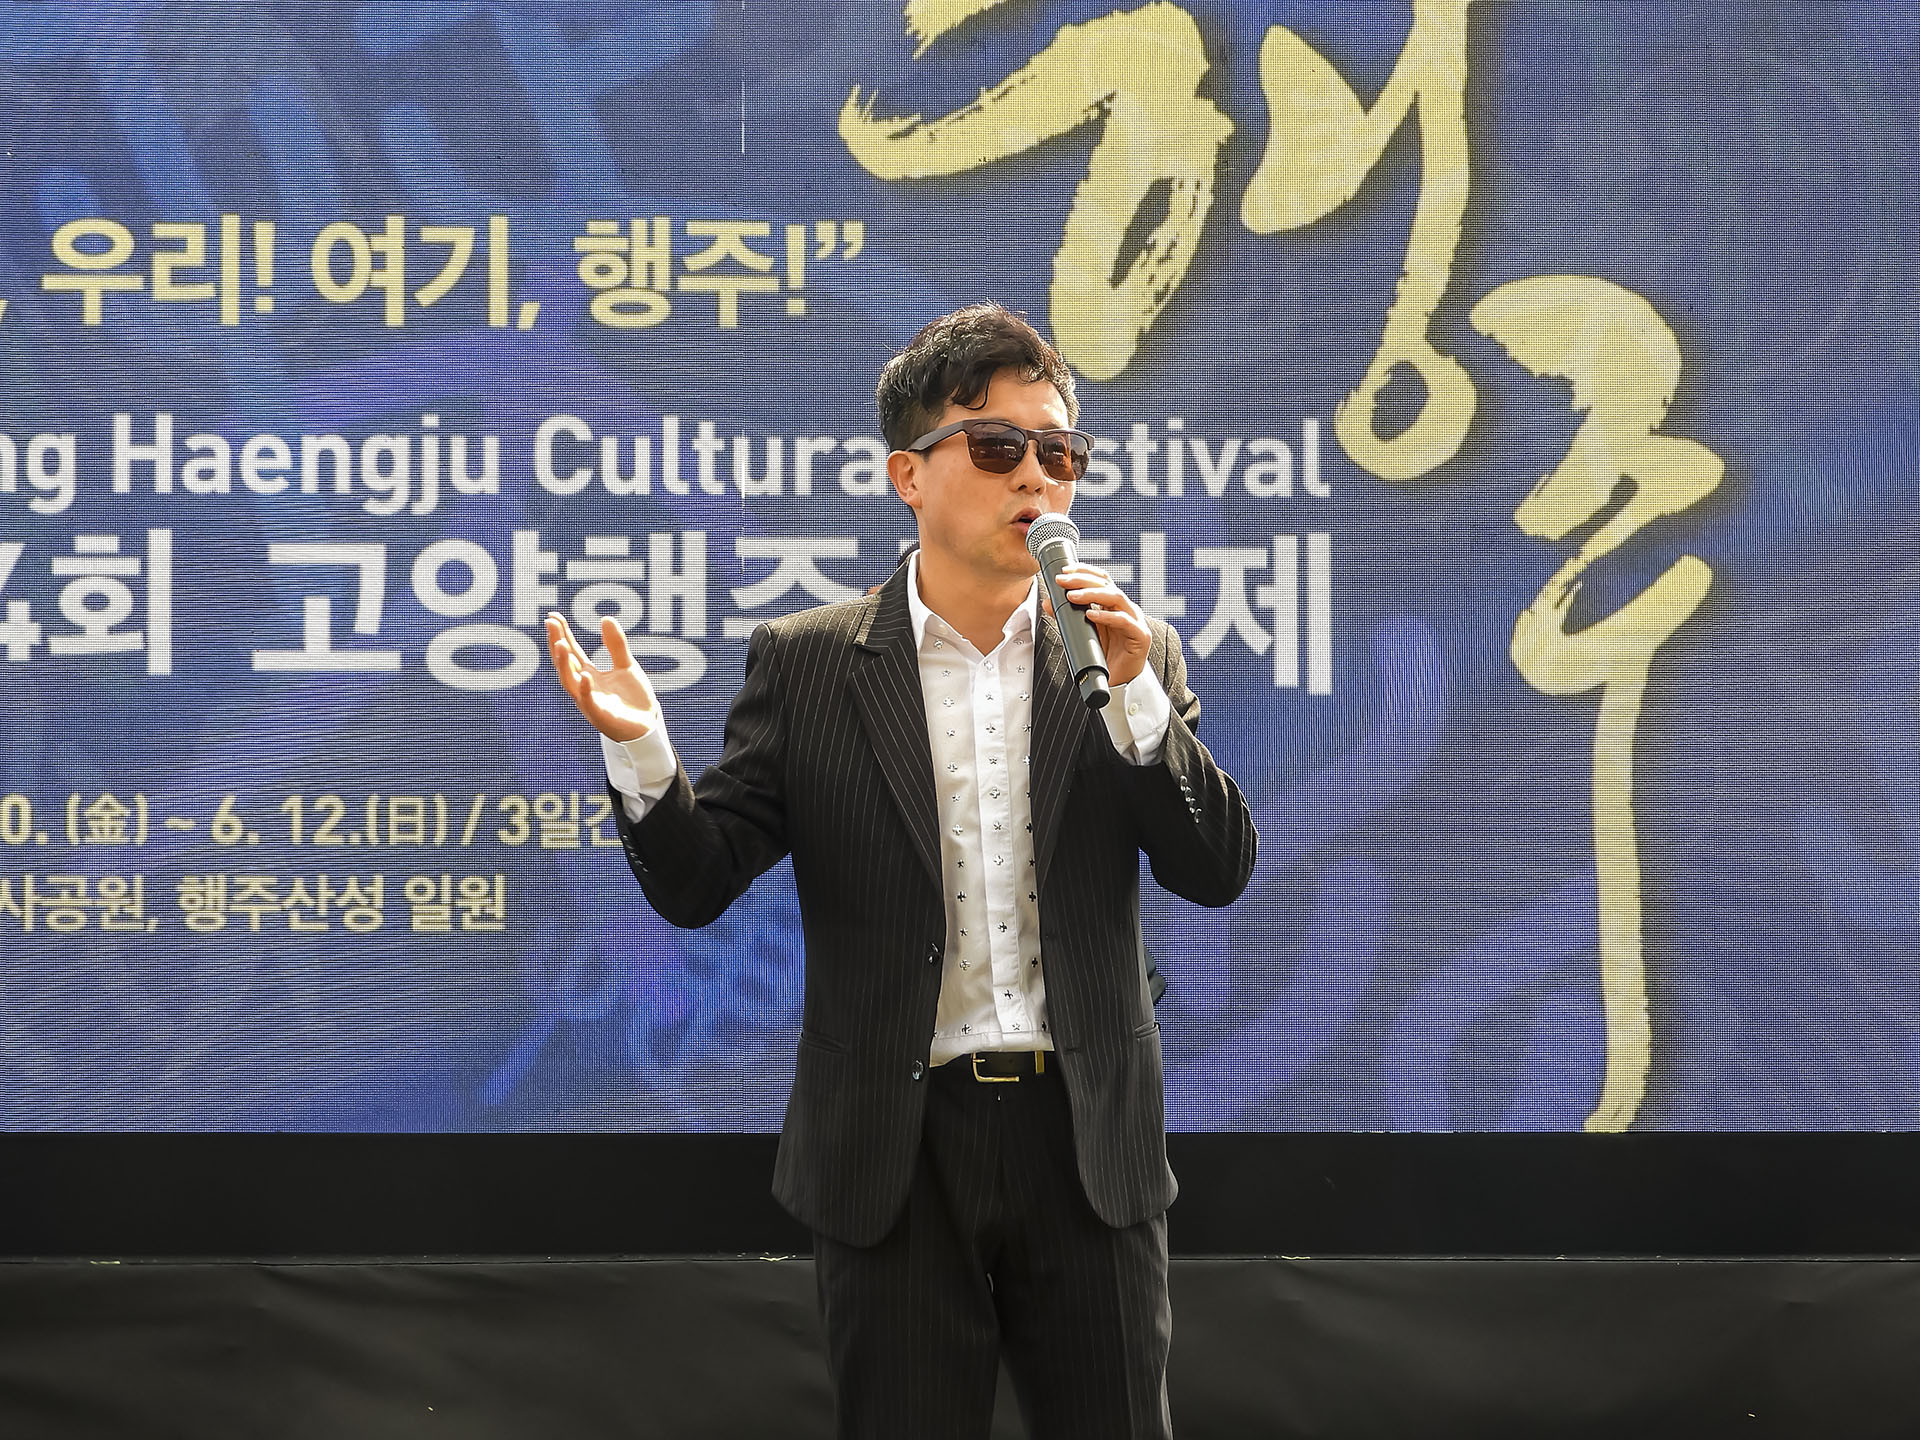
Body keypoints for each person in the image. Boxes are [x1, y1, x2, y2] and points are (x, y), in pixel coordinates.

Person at [546, 302, 1255, 1439]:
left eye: (1060, 452)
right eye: (998, 446)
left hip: (1087, 1139)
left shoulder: (1132, 652)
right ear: (909, 476)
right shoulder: (810, 665)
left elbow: (1214, 869)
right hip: (894, 1146)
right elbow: (695, 882)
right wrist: (642, 753)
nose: (1038, 477)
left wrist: (1134, 701)